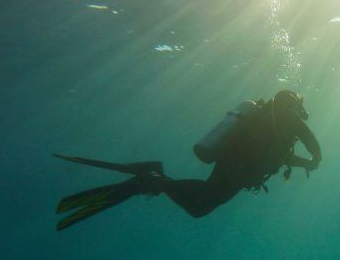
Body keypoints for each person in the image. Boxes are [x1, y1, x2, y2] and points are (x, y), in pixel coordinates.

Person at [54, 90, 322, 231]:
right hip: (238, 167)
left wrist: (304, 163)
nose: (302, 112)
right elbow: (313, 145)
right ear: (293, 105)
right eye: (300, 107)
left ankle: (155, 179)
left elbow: (279, 156)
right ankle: (153, 180)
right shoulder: (290, 120)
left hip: (235, 164)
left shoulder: (273, 123)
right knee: (203, 204)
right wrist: (315, 160)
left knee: (202, 205)